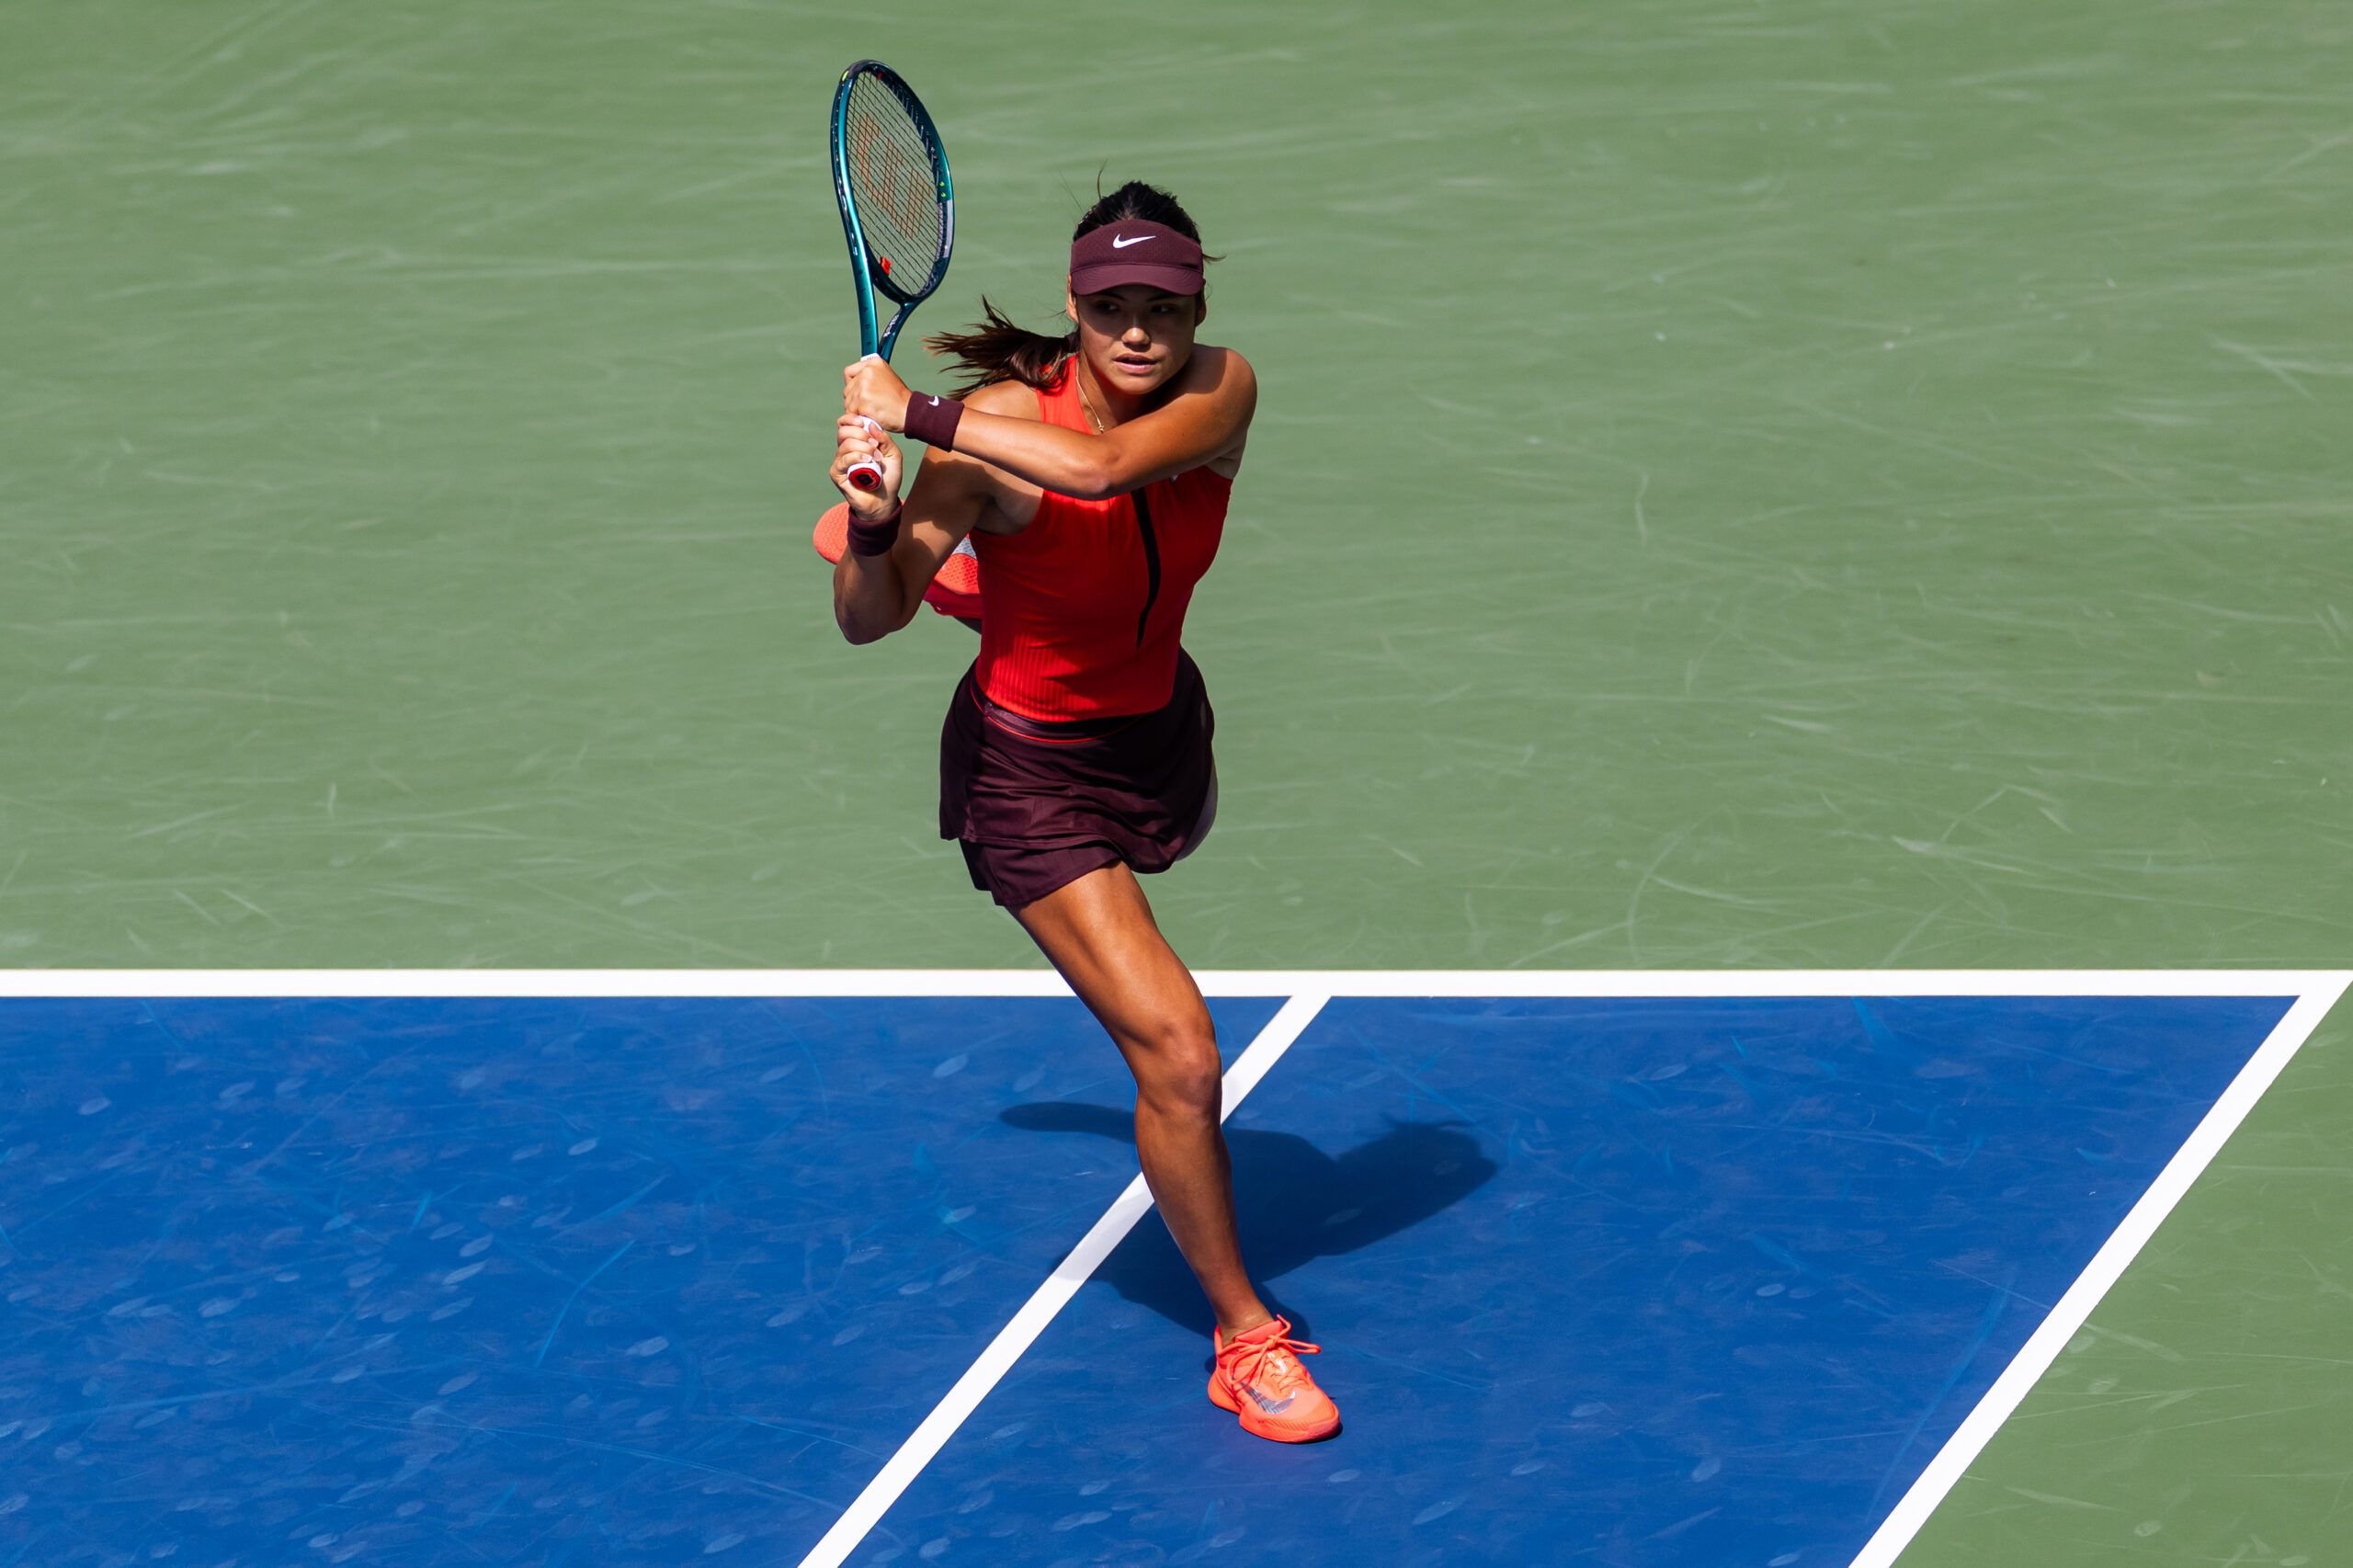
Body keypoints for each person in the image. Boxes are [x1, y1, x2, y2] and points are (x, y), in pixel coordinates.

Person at [828, 181, 1339, 1443]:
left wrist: (913, 409)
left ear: (1196, 310)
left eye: (1162, 308)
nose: (1138, 332)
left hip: (1160, 731)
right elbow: (864, 616)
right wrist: (884, 523)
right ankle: (1241, 1334)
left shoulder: (1222, 391)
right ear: (1074, 306)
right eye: (1112, 307)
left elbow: (1107, 470)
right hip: (1032, 772)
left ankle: (996, 591)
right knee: (1180, 1052)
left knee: (1066, 531)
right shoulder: (1000, 428)